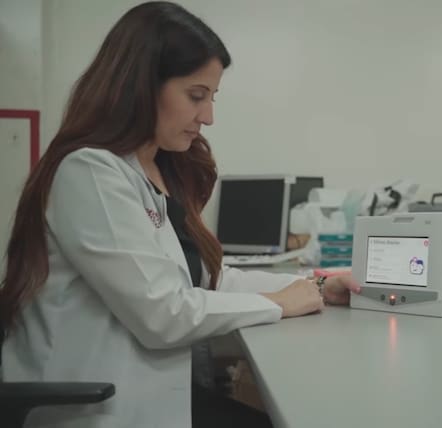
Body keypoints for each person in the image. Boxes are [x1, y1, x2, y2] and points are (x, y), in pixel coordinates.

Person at [0, 2, 360, 427]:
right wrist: (277, 304)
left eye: (211, 98)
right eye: (196, 96)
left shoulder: (155, 170)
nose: (208, 117)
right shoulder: (89, 172)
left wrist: (316, 286)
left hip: (151, 397)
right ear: (142, 85)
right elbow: (163, 314)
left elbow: (208, 279)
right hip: (98, 412)